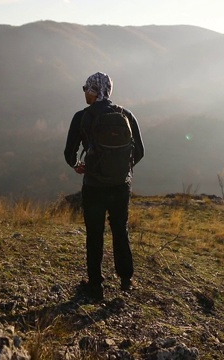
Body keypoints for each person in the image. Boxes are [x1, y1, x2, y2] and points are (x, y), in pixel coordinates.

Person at [64, 72, 145, 300]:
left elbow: (69, 152)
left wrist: (78, 165)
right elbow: (139, 151)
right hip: (121, 186)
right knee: (120, 230)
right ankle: (126, 279)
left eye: (86, 89)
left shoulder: (82, 117)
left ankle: (96, 285)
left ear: (94, 91)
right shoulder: (126, 115)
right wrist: (122, 170)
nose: (84, 93)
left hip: (94, 185)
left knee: (95, 233)